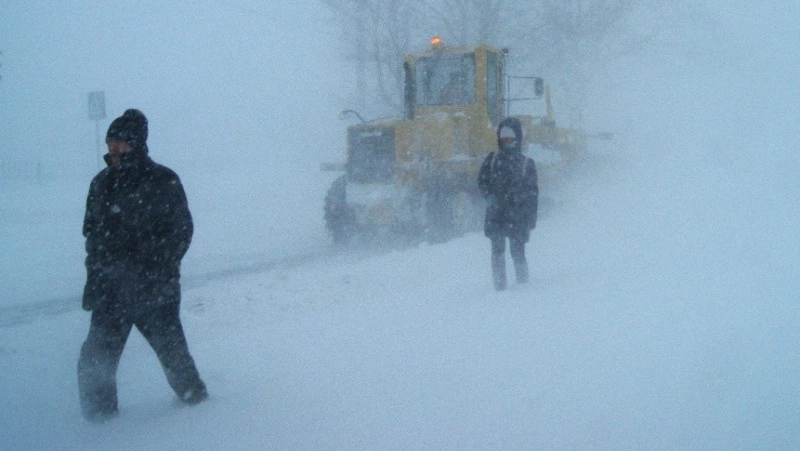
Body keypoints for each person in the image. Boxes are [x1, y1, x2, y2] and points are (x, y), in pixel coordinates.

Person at [77, 109, 207, 422]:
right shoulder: (101, 184)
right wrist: (96, 278)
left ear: (136, 143)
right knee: (95, 360)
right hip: (110, 291)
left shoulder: (163, 180)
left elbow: (181, 232)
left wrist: (153, 268)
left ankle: (199, 407)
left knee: (173, 355)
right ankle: (99, 424)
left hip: (153, 290)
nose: (113, 148)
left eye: (120, 142)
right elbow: (92, 236)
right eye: (110, 142)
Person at [478, 117, 538, 291]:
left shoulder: (526, 164)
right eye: (503, 137)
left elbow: (533, 195)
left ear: (517, 137)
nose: (506, 140)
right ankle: (499, 286)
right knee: (497, 251)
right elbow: (482, 181)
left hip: (518, 216)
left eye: (510, 137)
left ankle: (523, 284)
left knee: (517, 251)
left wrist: (531, 219)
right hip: (496, 215)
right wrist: (489, 195)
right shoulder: (492, 160)